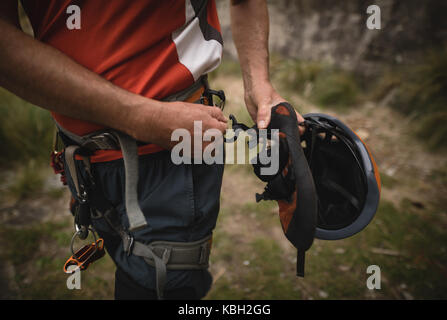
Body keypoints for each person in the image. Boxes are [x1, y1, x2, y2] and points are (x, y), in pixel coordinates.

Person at [0, 0, 303, 299]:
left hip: (173, 158)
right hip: (85, 164)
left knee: (159, 285)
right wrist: (142, 118)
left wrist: (259, 86)